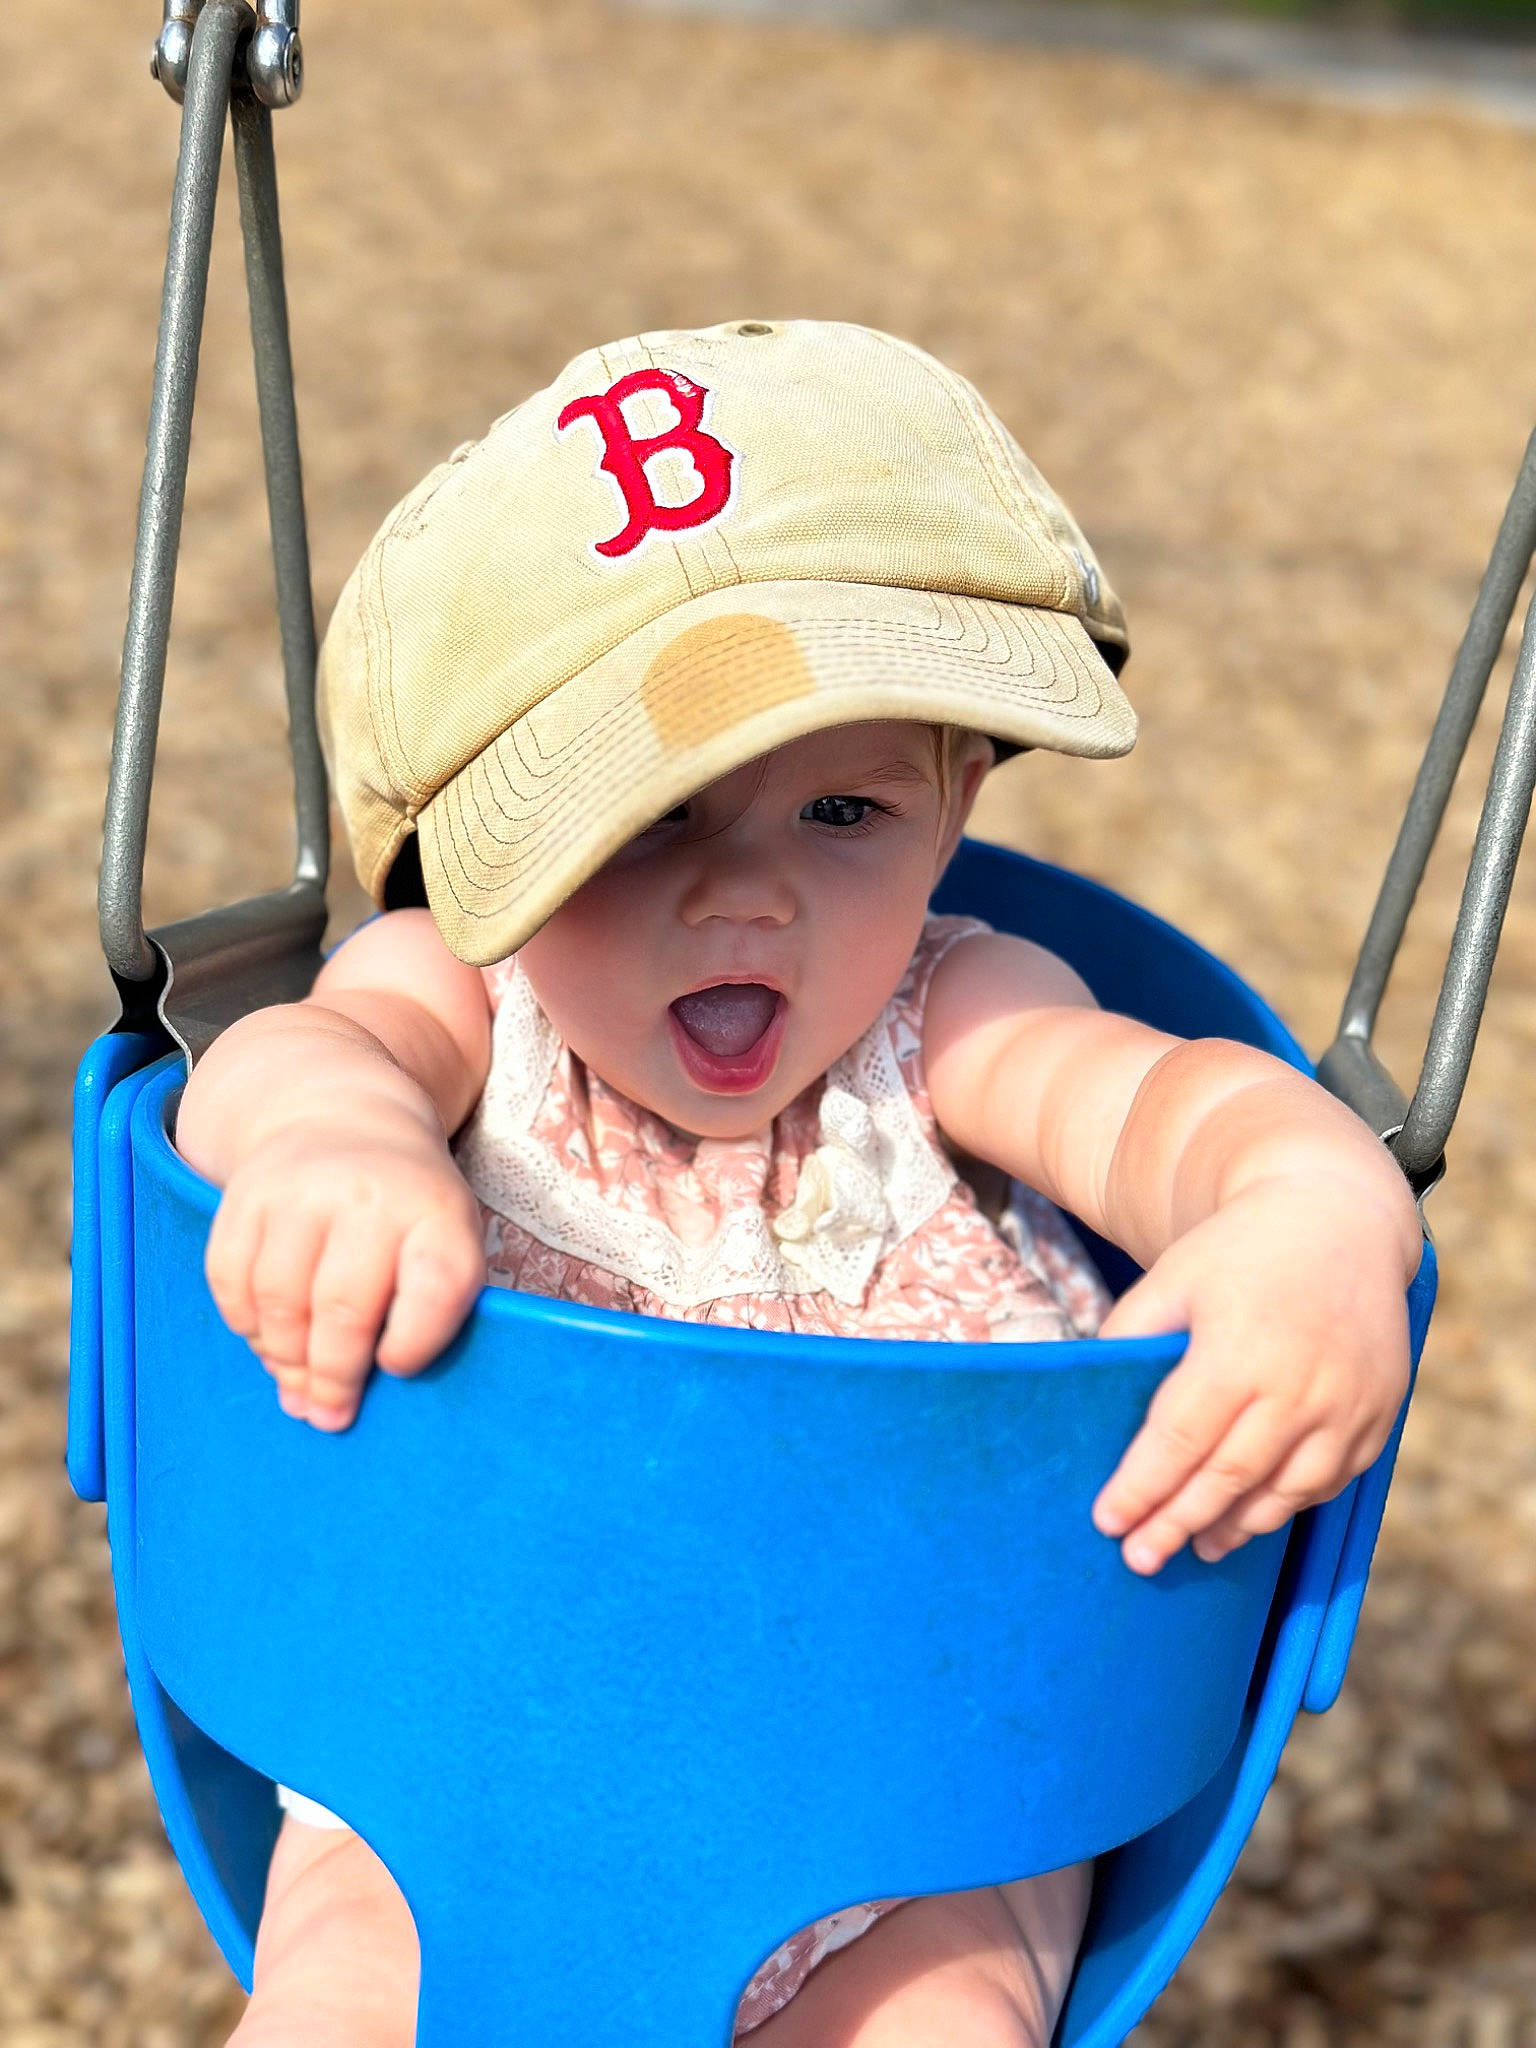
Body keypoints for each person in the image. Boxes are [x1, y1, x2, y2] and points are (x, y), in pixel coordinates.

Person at [175, 319, 1420, 2048]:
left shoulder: (958, 1019)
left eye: (842, 813)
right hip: (469, 1756)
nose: (749, 896)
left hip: (916, 1785)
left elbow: (1177, 1115)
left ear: (956, 799)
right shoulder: (461, 992)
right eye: (647, 821)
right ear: (479, 858)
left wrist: (1312, 1212)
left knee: (949, 2009)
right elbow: (281, 1065)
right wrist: (337, 1139)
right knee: (345, 1997)